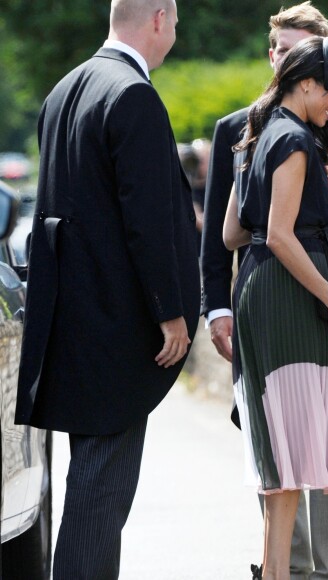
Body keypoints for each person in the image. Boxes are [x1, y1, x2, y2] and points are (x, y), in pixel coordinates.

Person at [14, 1, 200, 577]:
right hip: (116, 330)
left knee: (89, 486)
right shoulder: (133, 95)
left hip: (68, 325)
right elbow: (145, 220)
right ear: (160, 19)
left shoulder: (64, 90)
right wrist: (170, 311)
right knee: (100, 497)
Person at [201, 4, 328, 579]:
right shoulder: (294, 140)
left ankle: (285, 573)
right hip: (291, 300)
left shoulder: (257, 131)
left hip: (260, 294)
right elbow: (280, 236)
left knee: (280, 456)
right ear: (308, 81)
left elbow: (231, 232)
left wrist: (312, 192)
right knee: (295, 453)